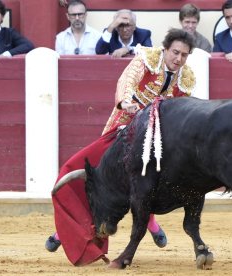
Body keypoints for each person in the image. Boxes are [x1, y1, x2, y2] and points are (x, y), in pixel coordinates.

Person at [46, 28, 197, 266]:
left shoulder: (185, 78)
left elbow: (181, 111)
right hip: (123, 131)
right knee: (80, 171)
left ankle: (150, 222)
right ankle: (64, 231)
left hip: (155, 140)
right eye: (175, 52)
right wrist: (126, 102)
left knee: (151, 179)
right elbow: (127, 80)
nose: (178, 59)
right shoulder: (147, 60)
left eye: (184, 55)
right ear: (165, 49)